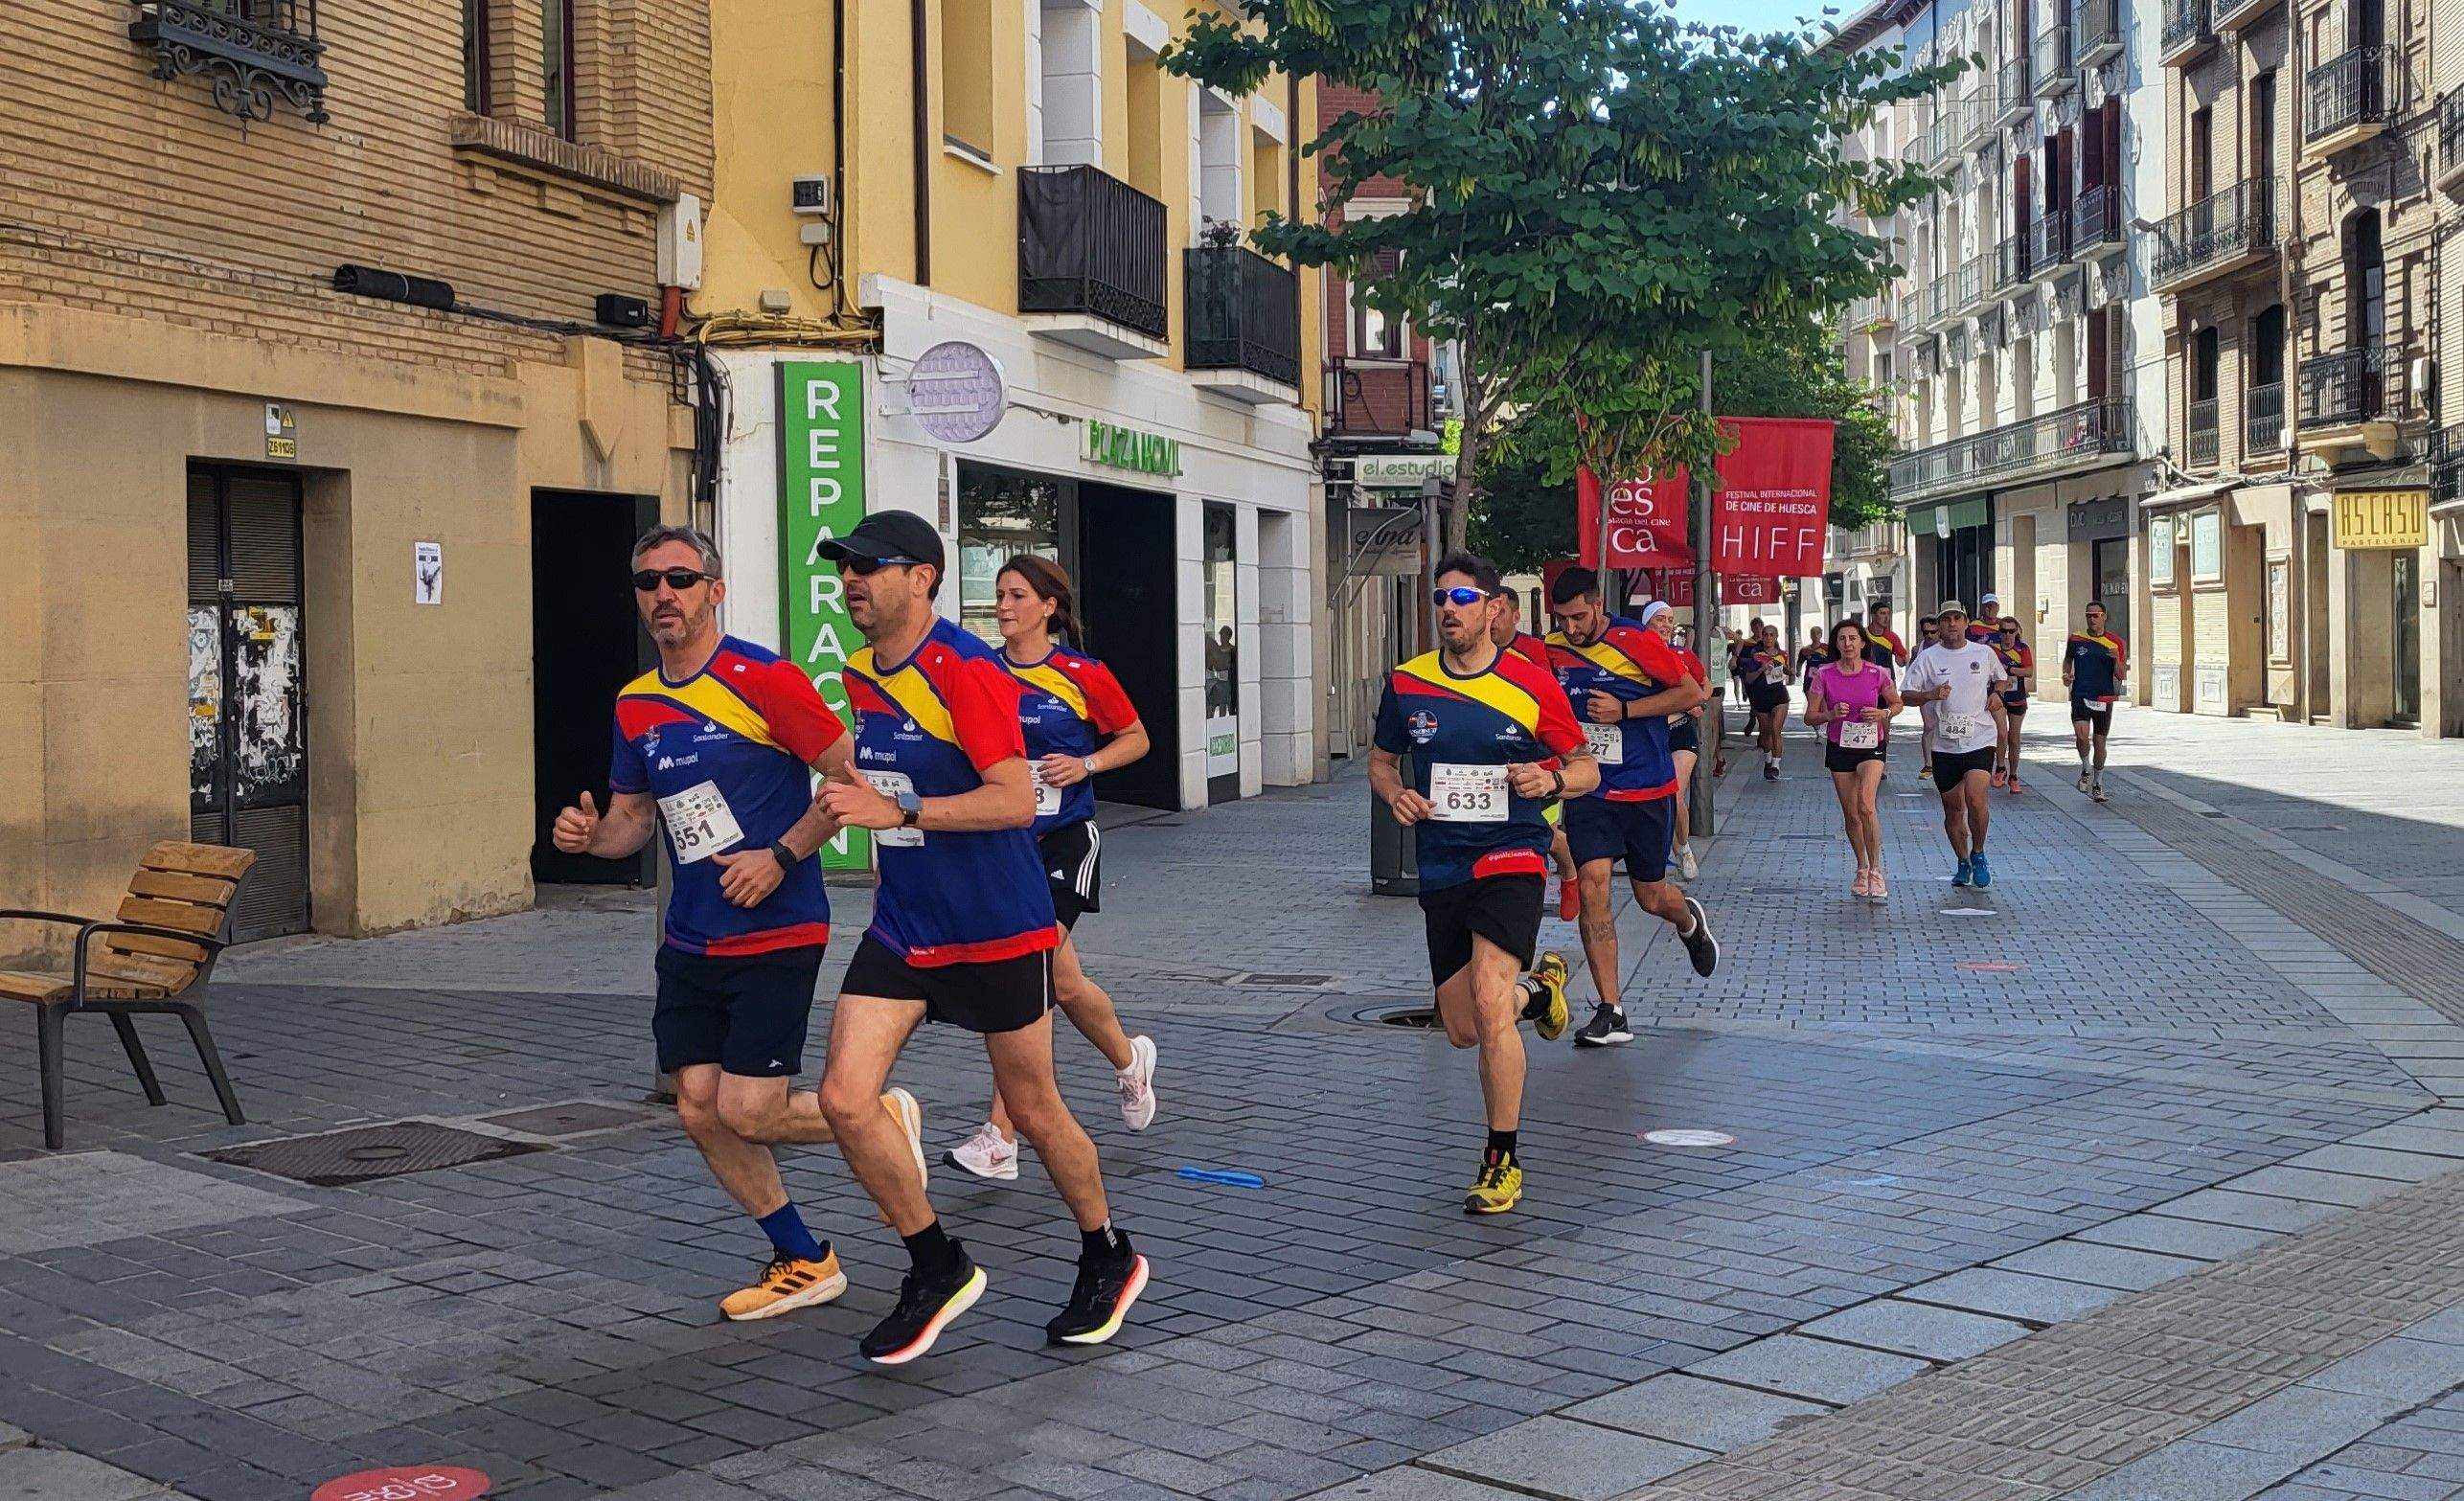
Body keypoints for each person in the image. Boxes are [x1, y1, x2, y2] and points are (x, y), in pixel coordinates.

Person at [551, 525, 924, 1323]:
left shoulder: (764, 678)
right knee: (697, 1105)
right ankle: (804, 1257)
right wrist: (589, 839)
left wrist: (780, 857)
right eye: (648, 582)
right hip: (691, 936)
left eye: (680, 579)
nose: (663, 594)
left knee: (749, 1109)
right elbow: (632, 820)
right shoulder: (635, 703)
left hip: (777, 928)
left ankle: (880, 1115)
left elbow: (850, 780)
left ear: (714, 591)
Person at [813, 511, 1145, 1363]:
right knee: (843, 1098)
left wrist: (902, 812)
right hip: (905, 924)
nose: (850, 580)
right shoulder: (859, 673)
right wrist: (790, 846)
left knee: (1032, 1109)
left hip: (997, 922)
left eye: (868, 566)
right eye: (844, 567)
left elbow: (1014, 798)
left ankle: (1107, 1252)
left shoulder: (966, 669)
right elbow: (863, 783)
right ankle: (937, 1264)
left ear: (921, 577)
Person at [1372, 554, 1597, 1214]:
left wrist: (1551, 778)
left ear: (1494, 608)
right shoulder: (1407, 684)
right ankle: (1542, 992)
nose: (1450, 608)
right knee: (1464, 1026)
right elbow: (1382, 762)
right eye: (1441, 598)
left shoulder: (1531, 683)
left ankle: (1502, 1160)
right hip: (1444, 862)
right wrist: (1396, 794)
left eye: (1464, 598)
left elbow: (1585, 767)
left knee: (1490, 1002)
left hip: (1511, 854)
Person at [944, 556, 1160, 1183]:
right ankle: (1130, 1059)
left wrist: (1085, 764)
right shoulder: (981, 671)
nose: (1003, 606)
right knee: (1063, 983)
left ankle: (1001, 1135)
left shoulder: (1081, 673)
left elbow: (1136, 737)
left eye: (1017, 595)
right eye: (998, 595)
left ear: (1048, 606)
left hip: (1065, 841)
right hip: (1006, 845)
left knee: (1028, 973)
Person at [1546, 569, 1722, 1049]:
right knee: (1593, 885)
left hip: (1646, 790)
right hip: (1591, 791)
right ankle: (1612, 1010)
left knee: (1650, 896)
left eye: (1578, 617)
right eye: (1561, 619)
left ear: (1597, 605)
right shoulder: (1553, 649)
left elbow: (1691, 694)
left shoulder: (1635, 640)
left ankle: (1688, 920)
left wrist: (1624, 711)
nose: (1570, 628)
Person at [1899, 601, 2010, 888]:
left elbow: (2002, 679)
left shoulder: (1983, 653)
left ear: (1966, 622)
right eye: (1946, 619)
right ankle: (1962, 861)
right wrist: (1930, 694)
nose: (1952, 624)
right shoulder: (1928, 657)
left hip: (1980, 738)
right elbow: (1906, 695)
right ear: (1939, 625)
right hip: (1944, 744)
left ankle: (1979, 852)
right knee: (1953, 810)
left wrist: (1997, 694)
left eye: (1957, 618)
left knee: (1975, 798)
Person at [1495, 604, 1585, 931]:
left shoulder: (1536, 650)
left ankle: (1568, 870)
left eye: (1500, 613)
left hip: (1542, 759)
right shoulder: (1473, 655)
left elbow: (1555, 695)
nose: (1493, 620)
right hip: (1497, 760)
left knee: (1543, 833)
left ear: (1514, 616)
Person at [1804, 620, 1902, 898]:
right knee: (1851, 813)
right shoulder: (1824, 674)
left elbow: (1897, 703)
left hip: (1872, 744)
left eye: (1852, 638)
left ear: (1862, 642)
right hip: (1840, 745)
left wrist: (1883, 714)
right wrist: (1830, 715)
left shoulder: (1877, 673)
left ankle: (1876, 870)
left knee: (1866, 805)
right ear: (1836, 644)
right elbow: (1809, 717)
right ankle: (1861, 867)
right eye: (1842, 639)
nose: (1847, 643)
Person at [2063, 601, 2130, 802]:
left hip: (2103, 697)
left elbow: (2121, 675)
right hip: (2081, 695)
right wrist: (2066, 675)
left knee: (2100, 744)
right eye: (2088, 616)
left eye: (2096, 615)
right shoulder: (2076, 639)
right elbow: (2068, 660)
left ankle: (2098, 783)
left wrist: (2116, 659)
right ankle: (2085, 768)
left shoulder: (2115, 642)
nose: (2092, 619)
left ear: (2104, 617)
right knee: (2082, 736)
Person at [1663, 615, 1710, 882]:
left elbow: (1705, 685)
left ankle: (1683, 849)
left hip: (1680, 729)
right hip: (1651, 734)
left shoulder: (1682, 654)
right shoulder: (1635, 656)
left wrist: (1697, 702)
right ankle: (1668, 849)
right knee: (1658, 798)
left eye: (1668, 620)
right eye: (1657, 620)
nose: (1664, 625)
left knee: (1674, 792)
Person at [1737, 621, 1789, 780]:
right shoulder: (1755, 655)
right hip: (1761, 696)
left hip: (1779, 696)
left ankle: (1776, 765)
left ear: (1776, 637)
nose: (1768, 638)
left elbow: (1787, 671)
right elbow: (1749, 678)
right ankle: (1768, 759)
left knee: (1776, 730)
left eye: (1771, 635)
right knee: (1765, 734)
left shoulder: (1783, 654)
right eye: (1766, 635)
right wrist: (1761, 669)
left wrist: (1790, 671)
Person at [1992, 613, 2033, 793]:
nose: (2007, 635)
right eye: (2003, 631)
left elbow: (2028, 672)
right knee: (2001, 732)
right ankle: (2000, 767)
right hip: (1999, 696)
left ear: (2016, 632)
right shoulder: (1992, 648)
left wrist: (2009, 669)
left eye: (2011, 631)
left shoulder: (2022, 648)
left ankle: (2014, 775)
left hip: (2017, 696)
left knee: (2014, 738)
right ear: (1999, 632)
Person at [1912, 613, 1939, 783]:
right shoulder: (1918, 649)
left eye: (1933, 632)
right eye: (1926, 632)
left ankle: (1943, 760)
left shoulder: (1945, 648)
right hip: (1926, 693)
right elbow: (1912, 671)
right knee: (1929, 726)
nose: (1929, 635)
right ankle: (1928, 764)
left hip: (1944, 693)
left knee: (1943, 727)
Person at [1865, 603, 1909, 675]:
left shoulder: (1892, 637)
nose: (1887, 618)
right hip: (1866, 677)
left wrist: (1901, 660)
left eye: (1888, 614)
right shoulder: (1862, 635)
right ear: (1873, 615)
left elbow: (1903, 662)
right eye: (1882, 613)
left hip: (1886, 678)